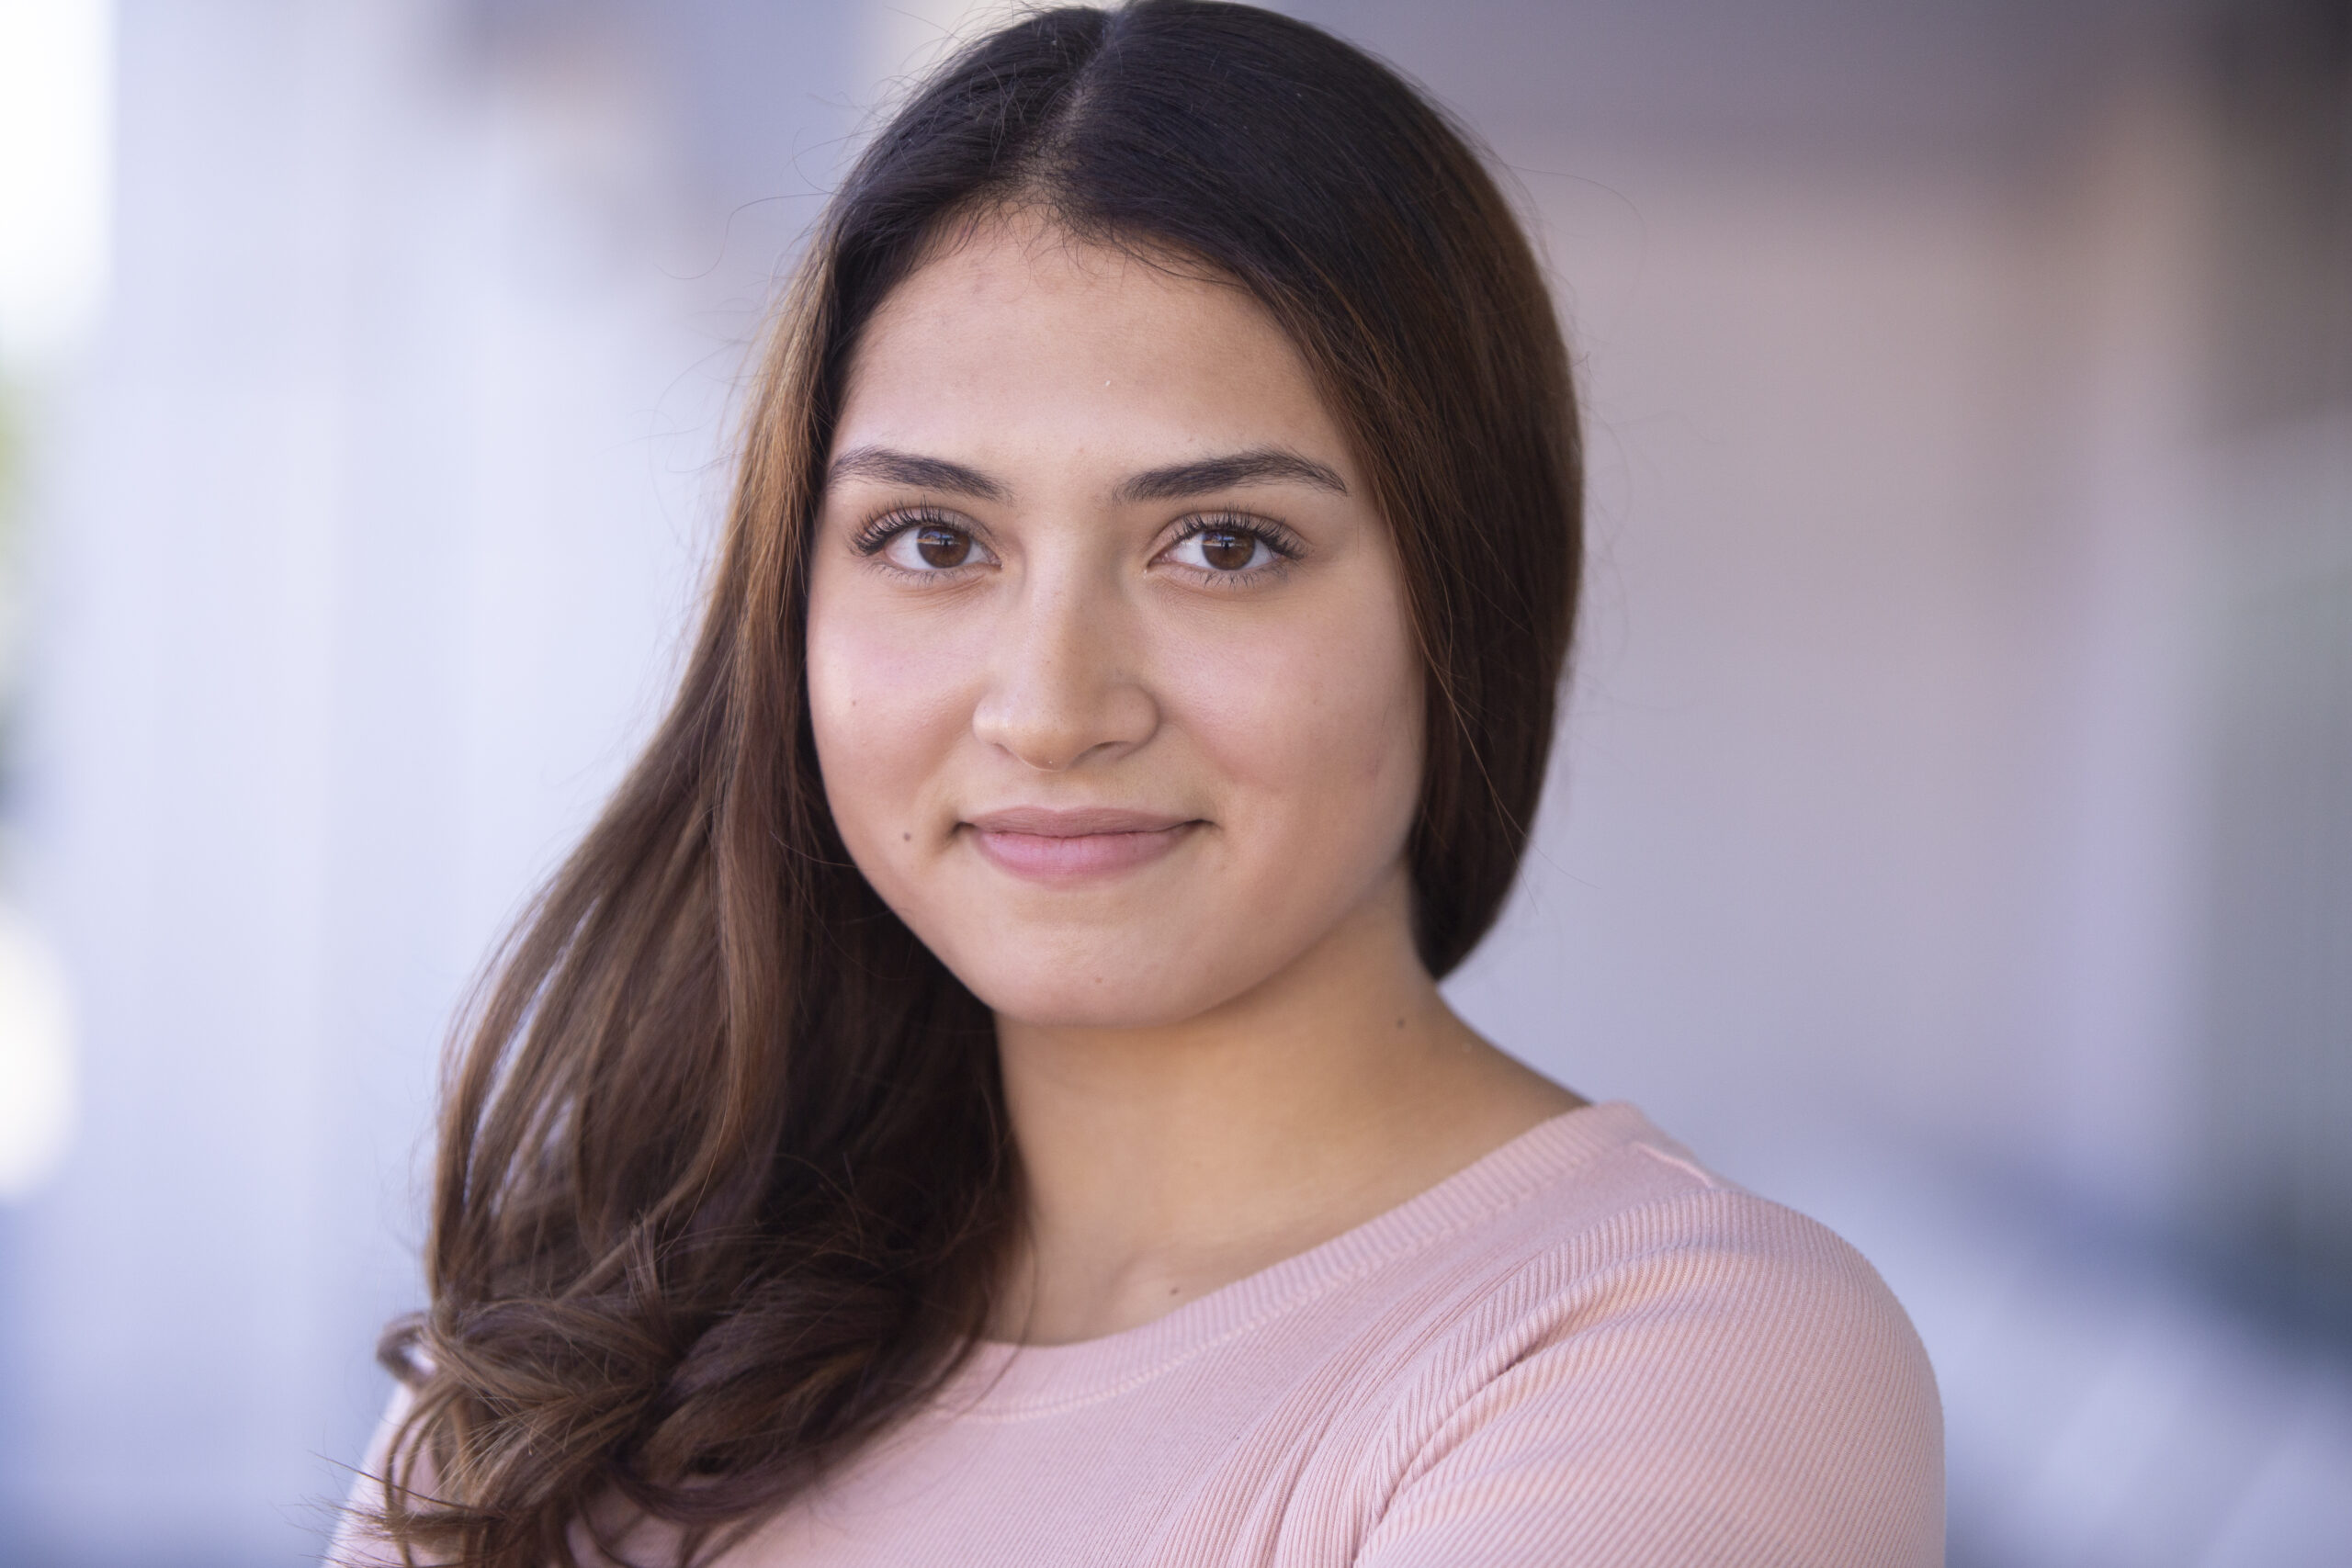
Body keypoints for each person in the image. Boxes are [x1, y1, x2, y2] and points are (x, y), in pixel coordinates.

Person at [333, 4, 1942, 1564]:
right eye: (933, 541)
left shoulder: (1678, 1357)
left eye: (1222, 545)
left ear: (1466, 607)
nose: (1050, 710)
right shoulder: (599, 1334)